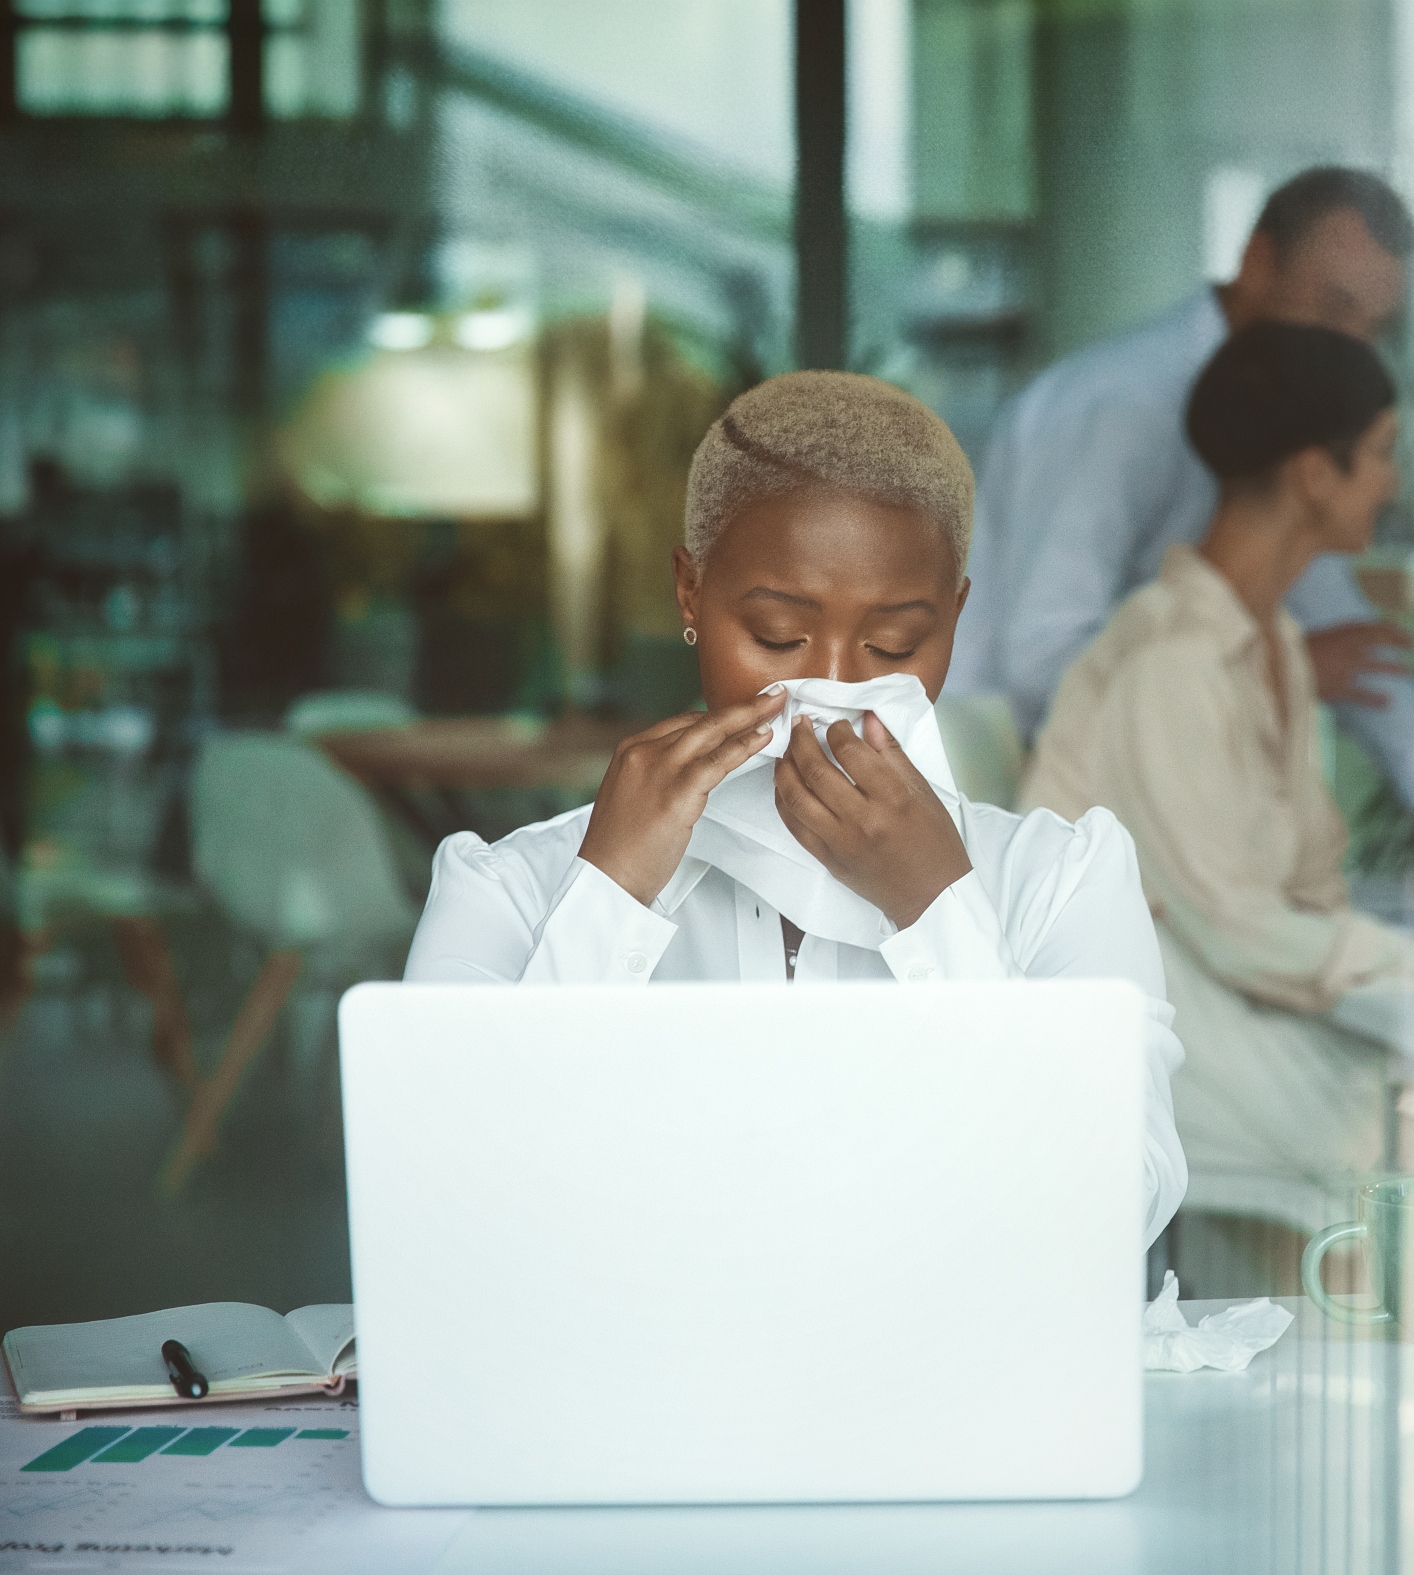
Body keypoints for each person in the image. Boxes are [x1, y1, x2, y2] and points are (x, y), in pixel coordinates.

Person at [404, 371, 1187, 1245]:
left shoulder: (1061, 883)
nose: (837, 686)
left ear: (957, 616)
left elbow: (1121, 1207)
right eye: (779, 636)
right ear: (690, 593)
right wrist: (609, 894)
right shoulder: (506, 888)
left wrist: (940, 912)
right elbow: (440, 1206)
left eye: (895, 643)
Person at [1020, 323, 1414, 1181]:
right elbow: (1242, 931)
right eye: (1379, 452)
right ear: (1311, 475)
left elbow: (1302, 897)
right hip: (1152, 1042)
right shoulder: (1171, 661)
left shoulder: (1278, 644)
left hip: (1234, 1014)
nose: (1393, 480)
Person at [958, 166, 1414, 859]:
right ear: (1258, 263)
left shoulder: (1287, 420)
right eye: (1333, 308)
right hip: (1009, 818)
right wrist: (1270, 670)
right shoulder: (1118, 408)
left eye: (1372, 328)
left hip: (1143, 817)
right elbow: (1039, 658)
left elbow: (1335, 620)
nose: (1351, 348)